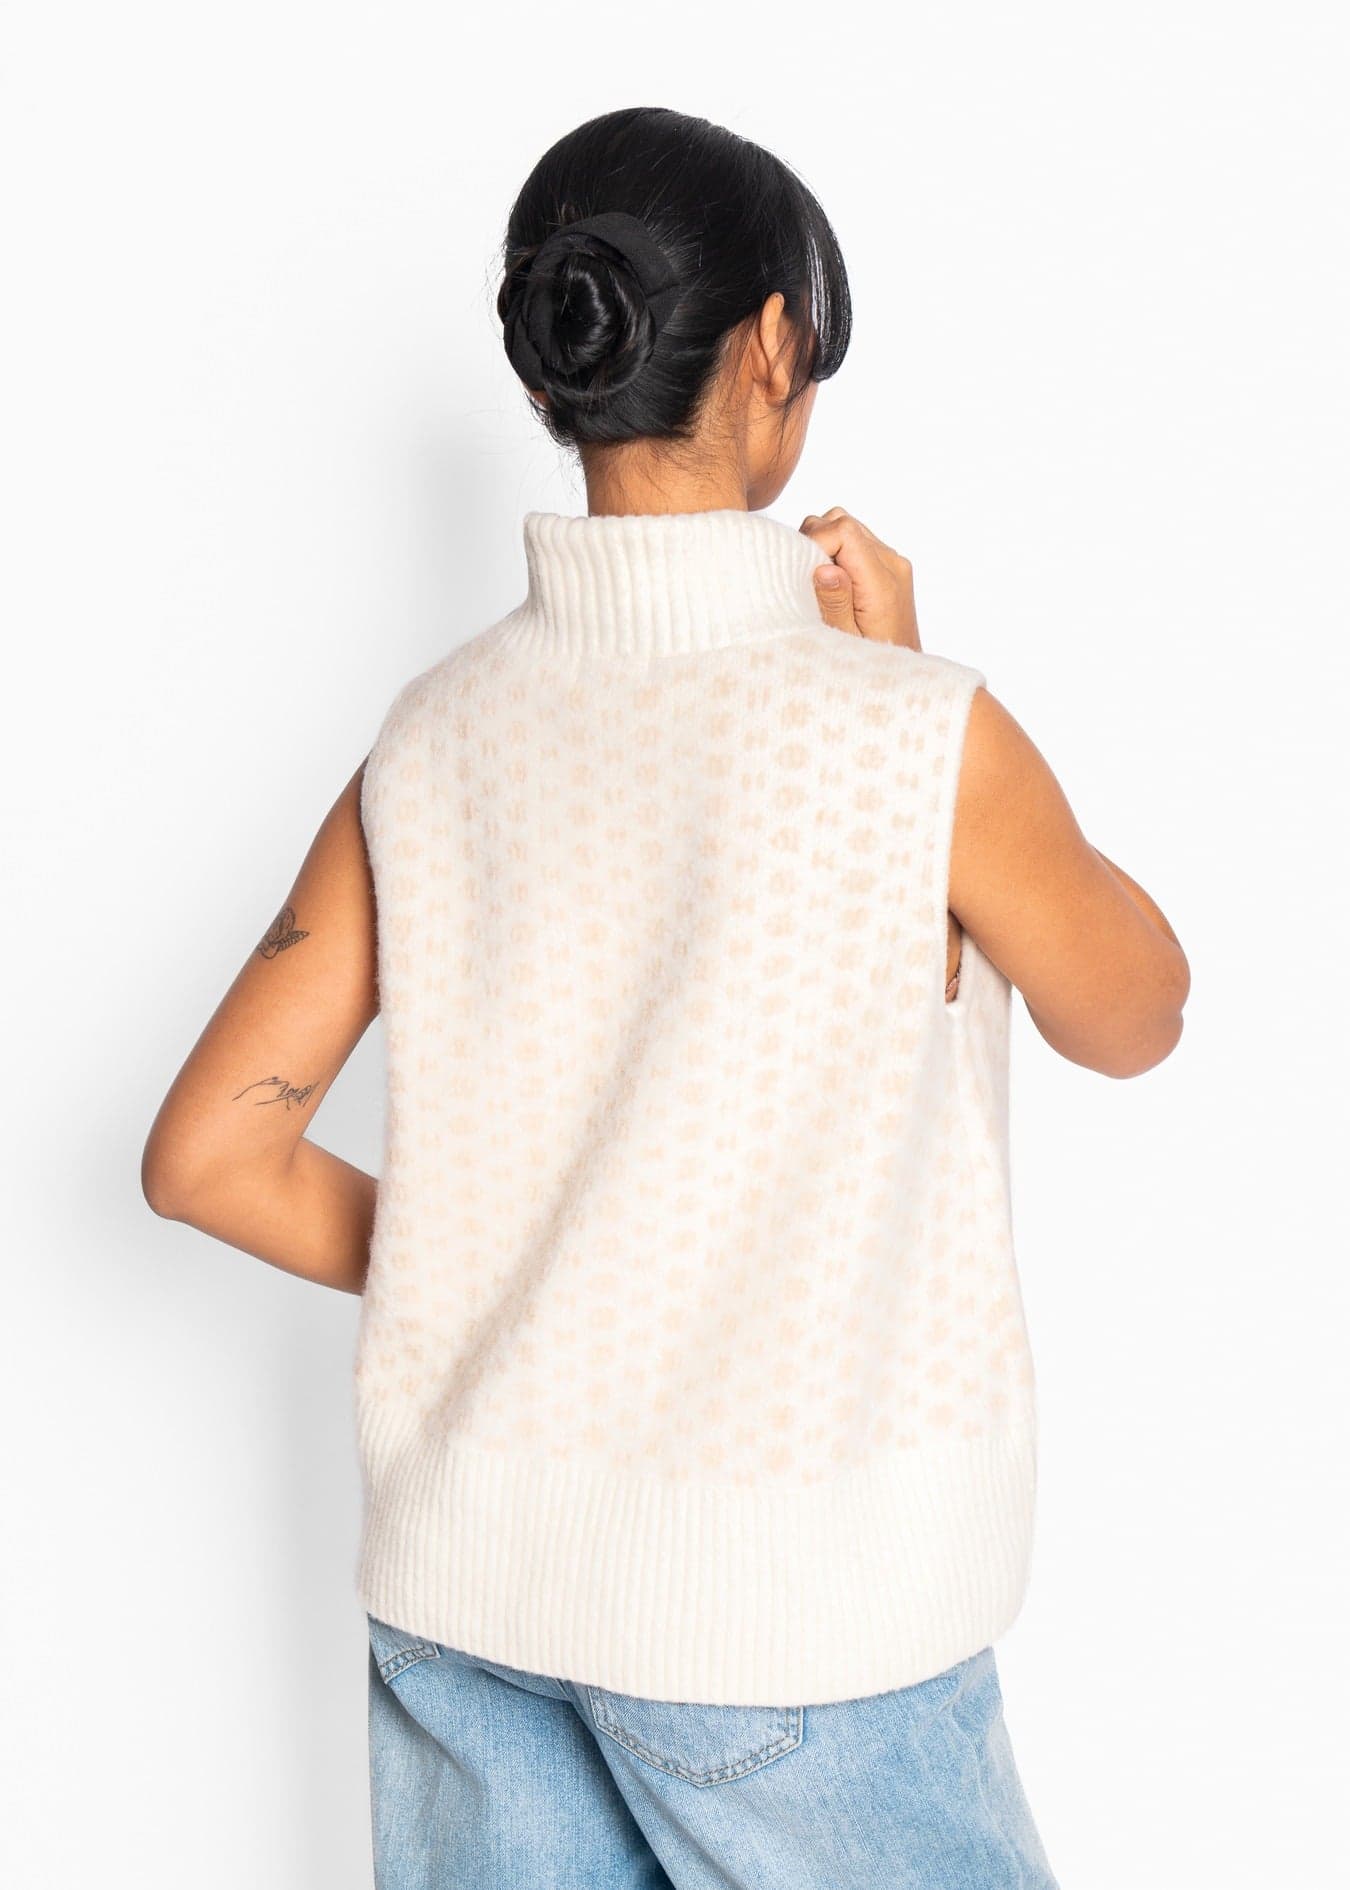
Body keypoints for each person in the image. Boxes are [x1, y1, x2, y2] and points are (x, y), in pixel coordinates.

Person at [142, 105, 1189, 1890]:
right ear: (772, 345)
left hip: (465, 1600)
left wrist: (517, 1274)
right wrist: (913, 687)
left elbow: (209, 1158)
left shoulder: (429, 737)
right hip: (789, 1614)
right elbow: (1134, 1010)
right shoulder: (908, 728)